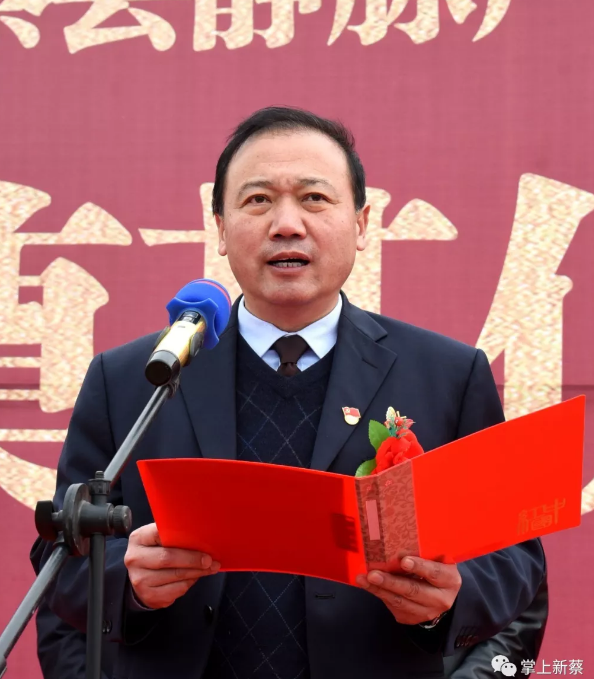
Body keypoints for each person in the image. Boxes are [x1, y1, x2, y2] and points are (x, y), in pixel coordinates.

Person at [32, 106, 545, 679]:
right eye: (257, 200)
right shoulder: (135, 378)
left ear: (361, 223)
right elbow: (62, 559)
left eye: (314, 198)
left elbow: (515, 560)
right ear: (220, 227)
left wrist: (447, 600)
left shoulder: (448, 375)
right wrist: (128, 583)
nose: (286, 224)